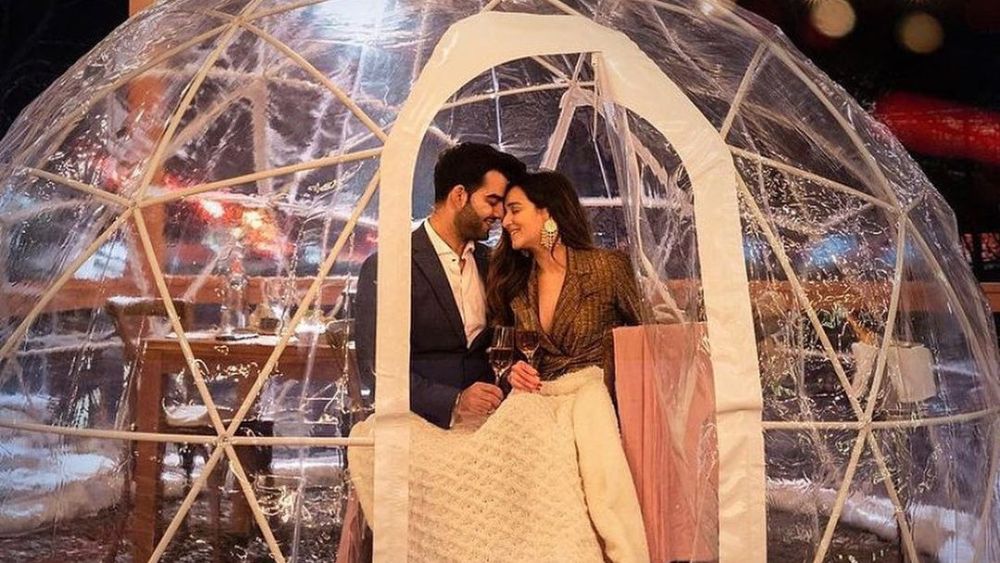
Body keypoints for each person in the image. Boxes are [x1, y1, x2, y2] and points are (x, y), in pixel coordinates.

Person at [349, 171, 650, 563]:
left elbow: (645, 337)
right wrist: (512, 372)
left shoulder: (608, 268)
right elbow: (504, 349)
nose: (504, 221)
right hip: (539, 398)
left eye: (513, 209)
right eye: (499, 207)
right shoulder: (515, 279)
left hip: (593, 394)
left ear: (548, 213)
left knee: (585, 436)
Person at [354, 142, 526, 428]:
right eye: (492, 201)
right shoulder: (391, 265)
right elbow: (376, 368)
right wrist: (454, 401)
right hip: (417, 426)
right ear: (459, 196)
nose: (500, 215)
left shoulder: (492, 263)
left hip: (492, 426)